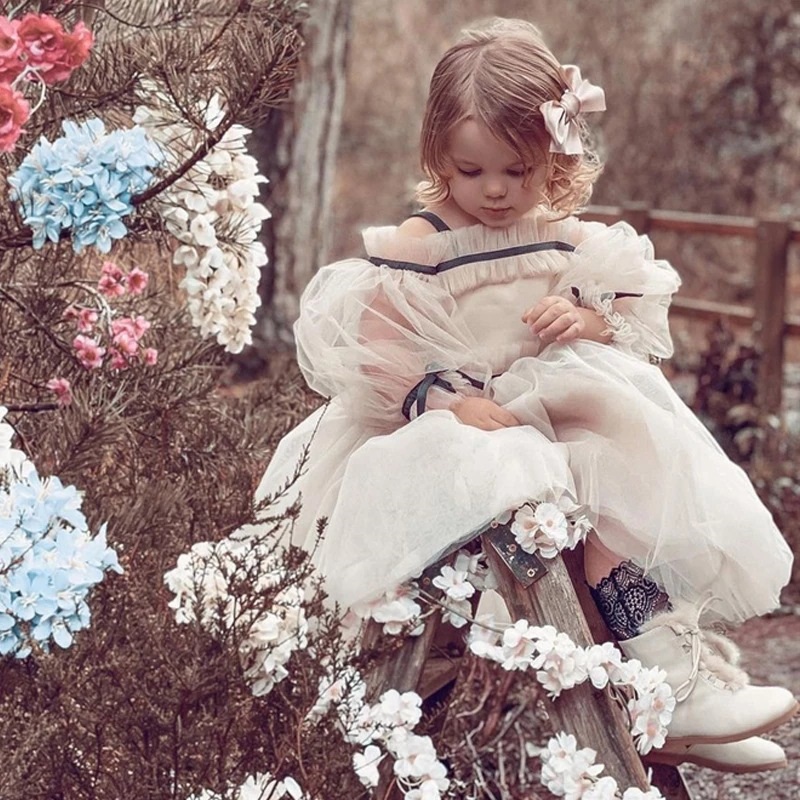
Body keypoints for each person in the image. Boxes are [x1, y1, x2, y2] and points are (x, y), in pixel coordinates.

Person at [256, 17, 796, 773]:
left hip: (556, 419)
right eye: (472, 171)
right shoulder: (421, 244)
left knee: (620, 487)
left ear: (553, 155)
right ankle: (659, 701)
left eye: (520, 170)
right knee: (526, 484)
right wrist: (441, 402)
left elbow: (626, 313)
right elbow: (379, 355)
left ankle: (670, 690)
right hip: (455, 430)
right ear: (440, 153)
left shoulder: (564, 238)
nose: (498, 191)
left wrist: (584, 316)